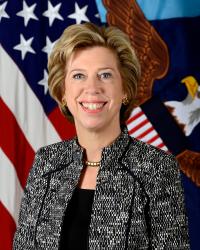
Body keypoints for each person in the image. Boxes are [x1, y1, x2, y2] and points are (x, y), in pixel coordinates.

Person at [13, 22, 190, 249]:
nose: (92, 88)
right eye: (78, 76)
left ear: (124, 89)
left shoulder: (156, 167)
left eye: (105, 75)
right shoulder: (47, 162)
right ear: (63, 92)